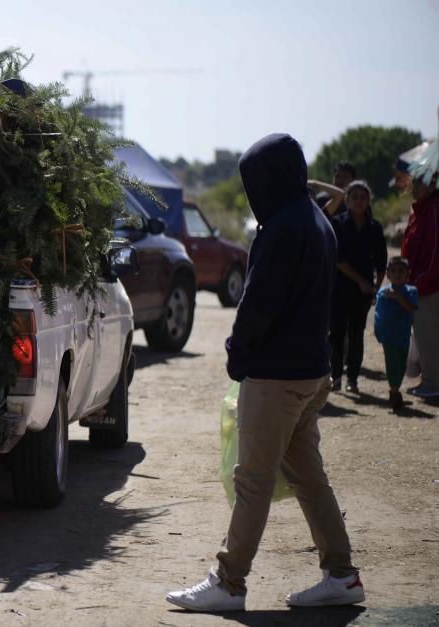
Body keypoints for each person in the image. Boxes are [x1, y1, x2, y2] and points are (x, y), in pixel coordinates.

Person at [166, 134, 363, 612]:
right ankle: (342, 576)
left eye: (254, 180)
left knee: (251, 482)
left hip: (276, 377)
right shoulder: (317, 221)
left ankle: (230, 583)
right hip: (312, 373)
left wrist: (237, 353)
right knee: (309, 478)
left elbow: (257, 306)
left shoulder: (280, 229)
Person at [327, 180, 387, 393]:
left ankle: (352, 379)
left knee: (356, 334)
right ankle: (335, 377)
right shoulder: (337, 224)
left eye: (363, 197)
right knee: (336, 334)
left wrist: (376, 289)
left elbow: (382, 262)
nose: (359, 201)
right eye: (355, 197)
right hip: (339, 288)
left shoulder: (375, 228)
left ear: (369, 200)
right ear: (347, 200)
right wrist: (361, 281)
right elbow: (338, 258)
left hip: (362, 293)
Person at [402, 140, 439, 398]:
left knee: (428, 337)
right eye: (415, 180)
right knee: (424, 336)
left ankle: (433, 385)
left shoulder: (434, 210)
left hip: (428, 287)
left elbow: (435, 253)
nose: (416, 185)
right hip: (419, 285)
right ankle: (430, 380)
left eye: (421, 180)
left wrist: (419, 283)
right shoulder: (421, 210)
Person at [374, 257, 418, 412]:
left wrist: (398, 297)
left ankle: (395, 387)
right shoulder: (383, 292)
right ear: (387, 274)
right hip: (389, 336)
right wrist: (378, 330)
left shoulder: (411, 291)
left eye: (401, 271)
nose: (397, 274)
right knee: (392, 362)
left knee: (401, 364)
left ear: (408, 274)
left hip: (403, 335)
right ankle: (394, 392)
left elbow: (410, 308)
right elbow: (378, 314)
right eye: (393, 271)